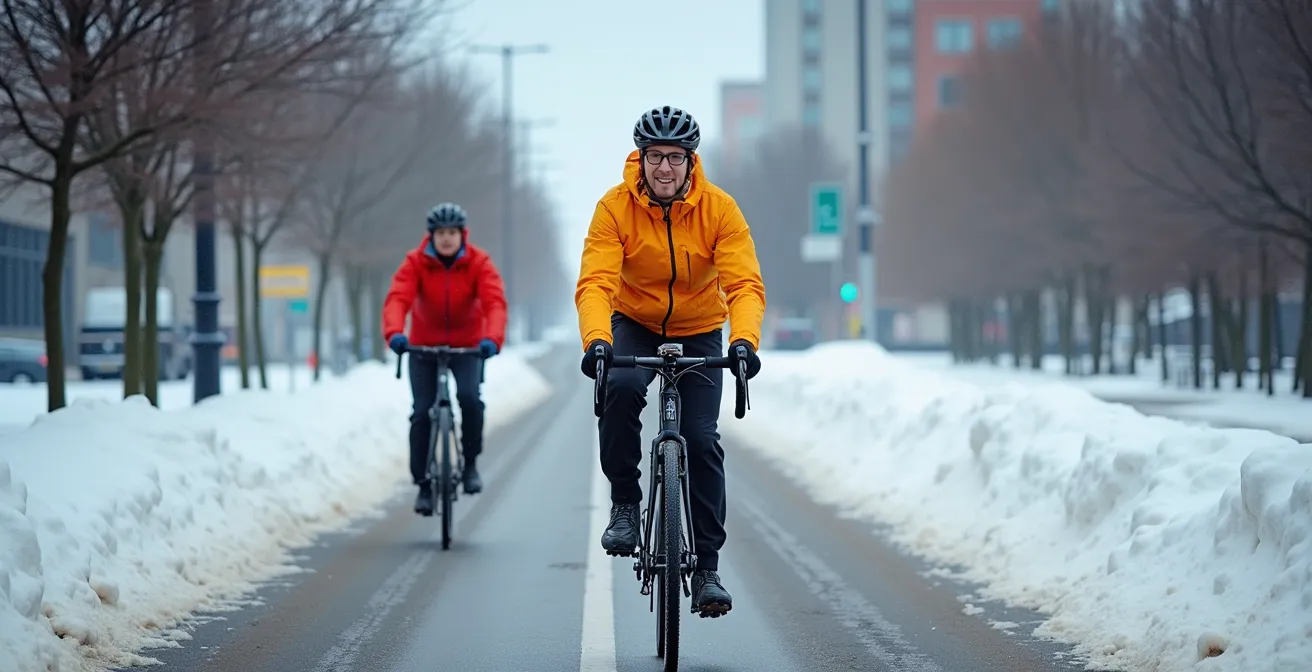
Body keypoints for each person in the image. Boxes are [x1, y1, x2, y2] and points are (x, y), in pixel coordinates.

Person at [575, 105, 765, 618]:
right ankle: (624, 504)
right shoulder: (614, 208)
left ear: (690, 162)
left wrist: (743, 341)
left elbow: (744, 284)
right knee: (621, 387)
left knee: (701, 440)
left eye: (675, 158)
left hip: (701, 328)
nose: (664, 168)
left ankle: (706, 569)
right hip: (632, 319)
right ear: (639, 159)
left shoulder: (719, 210)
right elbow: (596, 282)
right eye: (654, 156)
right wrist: (598, 340)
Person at [382, 202, 507, 514]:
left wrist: (492, 338)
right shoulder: (415, 262)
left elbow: (494, 302)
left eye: (452, 232)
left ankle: (470, 466)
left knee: (470, 400)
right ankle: (423, 484)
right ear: (431, 236)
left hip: (468, 348)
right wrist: (395, 333)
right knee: (422, 413)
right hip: (423, 348)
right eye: (441, 233)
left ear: (462, 234)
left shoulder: (479, 262)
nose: (447, 238)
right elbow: (398, 297)